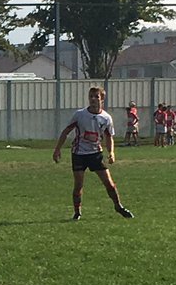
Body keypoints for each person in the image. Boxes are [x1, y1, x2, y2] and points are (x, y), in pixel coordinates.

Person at [52, 85, 133, 220]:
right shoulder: (80, 115)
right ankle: (77, 212)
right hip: (79, 154)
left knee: (109, 183)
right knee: (78, 185)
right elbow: (66, 131)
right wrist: (57, 149)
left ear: (102, 99)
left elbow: (109, 137)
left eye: (96, 96)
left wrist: (111, 152)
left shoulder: (106, 118)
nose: (93, 99)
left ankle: (118, 206)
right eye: (91, 96)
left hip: (96, 154)